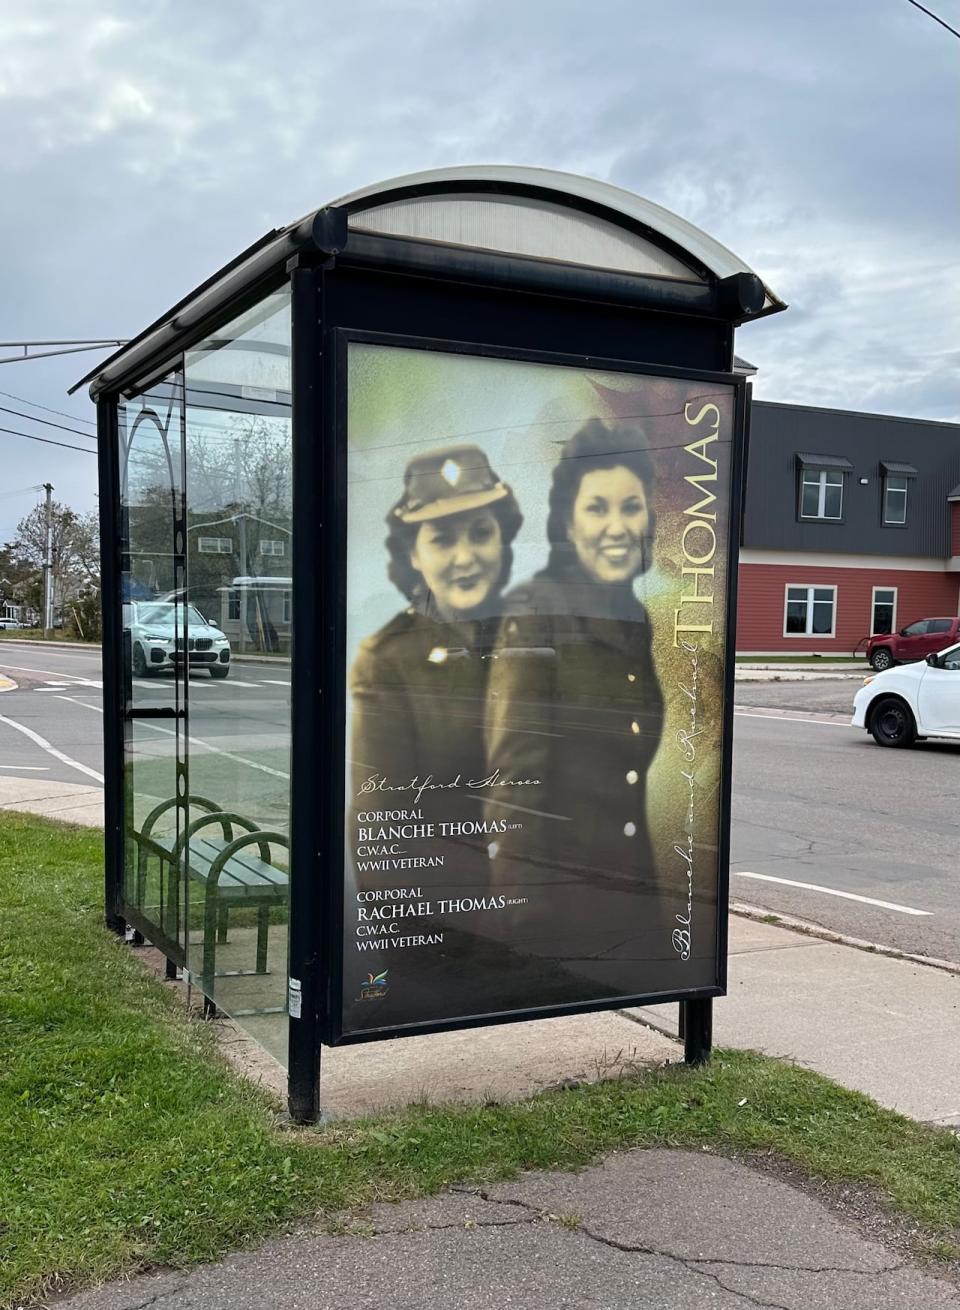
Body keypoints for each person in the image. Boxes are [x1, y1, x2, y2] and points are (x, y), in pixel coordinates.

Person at [483, 417, 667, 999]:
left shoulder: (632, 616)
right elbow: (515, 786)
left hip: (630, 901)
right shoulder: (537, 613)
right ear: (567, 522)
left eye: (630, 506)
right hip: (565, 912)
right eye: (597, 508)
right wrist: (530, 930)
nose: (618, 526)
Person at [344, 443, 524, 1030]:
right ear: (414, 554)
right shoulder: (388, 659)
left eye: (480, 531)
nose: (466, 555)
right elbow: (379, 821)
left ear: (504, 537)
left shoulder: (538, 635)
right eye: (441, 539)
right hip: (449, 919)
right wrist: (412, 942)